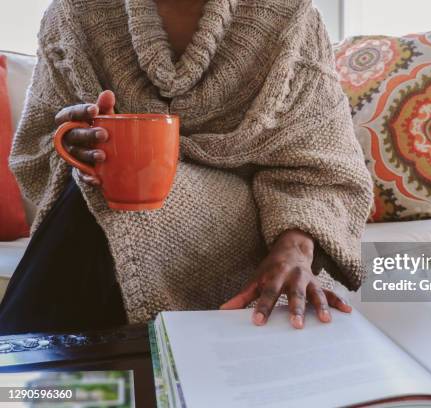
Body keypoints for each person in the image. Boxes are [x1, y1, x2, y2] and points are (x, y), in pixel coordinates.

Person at [0, 0, 372, 334]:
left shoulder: (291, 18)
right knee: (103, 186)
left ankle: (28, 376)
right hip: (98, 220)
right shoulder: (74, 15)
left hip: (250, 228)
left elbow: (327, 168)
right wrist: (70, 146)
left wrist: (295, 248)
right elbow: (36, 154)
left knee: (103, 199)